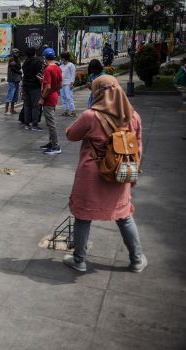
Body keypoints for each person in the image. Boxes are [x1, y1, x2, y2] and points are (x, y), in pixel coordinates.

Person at [63, 75, 147, 273]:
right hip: (121, 171)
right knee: (124, 216)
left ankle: (79, 260)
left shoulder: (91, 116)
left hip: (92, 175)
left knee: (83, 216)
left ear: (98, 93)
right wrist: (131, 175)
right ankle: (136, 260)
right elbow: (139, 148)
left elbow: (71, 135)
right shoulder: (133, 116)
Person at [39, 48, 63, 155]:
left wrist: (42, 98)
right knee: (50, 122)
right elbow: (60, 84)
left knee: (51, 123)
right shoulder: (58, 68)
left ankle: (56, 146)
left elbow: (47, 87)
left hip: (48, 98)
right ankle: (51, 142)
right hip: (54, 96)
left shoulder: (48, 69)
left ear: (45, 58)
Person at [21, 47, 44, 131]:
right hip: (35, 87)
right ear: (34, 53)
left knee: (27, 106)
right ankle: (34, 125)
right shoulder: (38, 62)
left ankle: (26, 124)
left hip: (26, 86)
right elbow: (40, 75)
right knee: (35, 106)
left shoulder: (25, 62)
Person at [5, 48, 22, 115]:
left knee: (15, 95)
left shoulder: (17, 60)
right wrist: (19, 72)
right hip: (12, 79)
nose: (16, 54)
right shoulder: (11, 59)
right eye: (15, 53)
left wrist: (18, 70)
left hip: (17, 79)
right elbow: (14, 69)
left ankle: (12, 109)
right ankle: (6, 110)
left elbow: (19, 67)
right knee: (10, 94)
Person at [59, 52, 76, 117]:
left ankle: (72, 111)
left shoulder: (71, 65)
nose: (61, 60)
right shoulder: (61, 66)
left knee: (69, 97)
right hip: (62, 84)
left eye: (62, 58)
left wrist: (72, 83)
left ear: (64, 58)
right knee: (63, 98)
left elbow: (73, 74)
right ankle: (65, 110)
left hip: (68, 84)